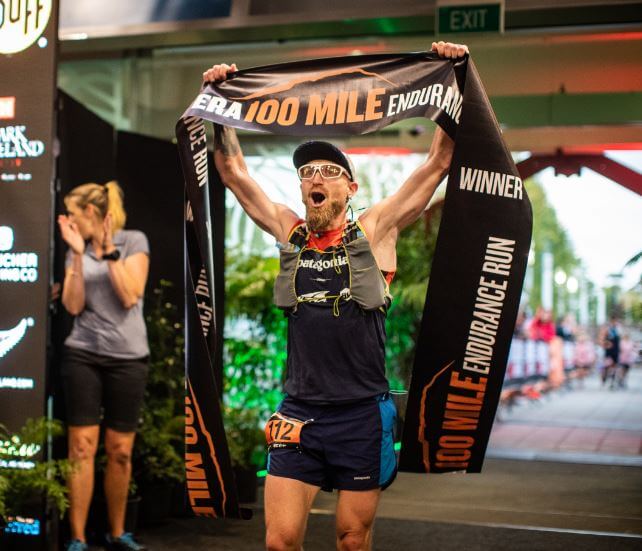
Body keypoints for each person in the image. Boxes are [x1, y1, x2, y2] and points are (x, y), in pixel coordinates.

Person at [204, 41, 468, 551]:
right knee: (279, 542)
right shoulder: (291, 231)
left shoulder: (376, 228)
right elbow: (234, 173)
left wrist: (451, 75)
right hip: (298, 412)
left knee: (351, 539)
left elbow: (440, 162)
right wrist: (221, 103)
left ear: (349, 187)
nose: (315, 179)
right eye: (307, 173)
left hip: (359, 415)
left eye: (327, 172)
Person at [57, 181, 150, 551]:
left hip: (128, 358)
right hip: (83, 353)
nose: (67, 221)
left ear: (91, 214)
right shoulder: (74, 250)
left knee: (120, 450)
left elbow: (129, 295)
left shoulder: (133, 241)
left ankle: (117, 532)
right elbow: (73, 306)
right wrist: (78, 256)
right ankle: (77, 537)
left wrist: (107, 251)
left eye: (72, 214)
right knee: (81, 446)